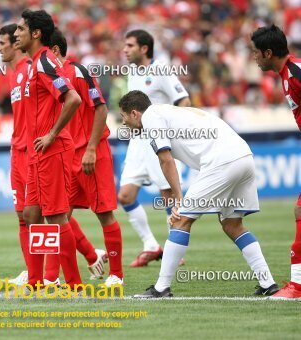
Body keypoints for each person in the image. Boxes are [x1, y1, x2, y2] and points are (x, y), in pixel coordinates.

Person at [117, 90, 278, 298]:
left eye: (123, 117)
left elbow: (165, 160)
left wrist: (178, 199)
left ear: (134, 113)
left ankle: (161, 288)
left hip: (222, 160)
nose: (124, 123)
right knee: (232, 224)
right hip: (244, 155)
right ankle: (268, 283)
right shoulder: (169, 112)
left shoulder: (150, 117)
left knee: (180, 220)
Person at [45, 28, 122, 287]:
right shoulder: (50, 76)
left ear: (54, 50)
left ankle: (116, 275)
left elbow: (101, 109)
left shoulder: (78, 72)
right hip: (67, 155)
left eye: (44, 51)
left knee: (104, 214)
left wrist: (90, 148)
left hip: (91, 152)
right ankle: (54, 277)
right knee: (59, 216)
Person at [14, 9, 83, 291]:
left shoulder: (44, 62)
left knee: (56, 217)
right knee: (31, 215)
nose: (16, 33)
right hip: (37, 152)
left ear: (36, 33)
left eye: (20, 29)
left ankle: (76, 285)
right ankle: (36, 283)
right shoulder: (32, 64)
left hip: (51, 150)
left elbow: (73, 99)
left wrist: (52, 134)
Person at [120, 30, 190, 267]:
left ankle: (176, 250)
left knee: (167, 196)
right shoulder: (131, 72)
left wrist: (173, 134)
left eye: (130, 45)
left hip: (157, 142)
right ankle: (151, 245)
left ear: (144, 49)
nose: (125, 49)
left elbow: (183, 101)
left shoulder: (161, 69)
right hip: (136, 143)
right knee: (125, 196)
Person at [251, 24, 301, 299]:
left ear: (268, 53)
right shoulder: (286, 75)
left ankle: (297, 286)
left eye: (256, 53)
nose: (254, 58)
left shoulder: (295, 73)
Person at [0, 23, 33, 285]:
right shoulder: (13, 75)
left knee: (42, 215)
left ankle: (47, 277)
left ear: (15, 43)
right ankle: (33, 272)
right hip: (17, 152)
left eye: (2, 43)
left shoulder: (31, 70)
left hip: (34, 152)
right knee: (22, 216)